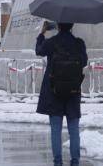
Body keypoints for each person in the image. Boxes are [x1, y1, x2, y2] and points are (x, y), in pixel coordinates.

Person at [36, 22, 88, 166]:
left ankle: (58, 162)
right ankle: (75, 162)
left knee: (56, 130)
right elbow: (83, 62)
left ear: (58, 26)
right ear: (72, 26)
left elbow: (39, 50)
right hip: (73, 90)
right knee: (73, 130)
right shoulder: (79, 43)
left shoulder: (52, 42)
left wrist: (42, 33)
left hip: (54, 91)